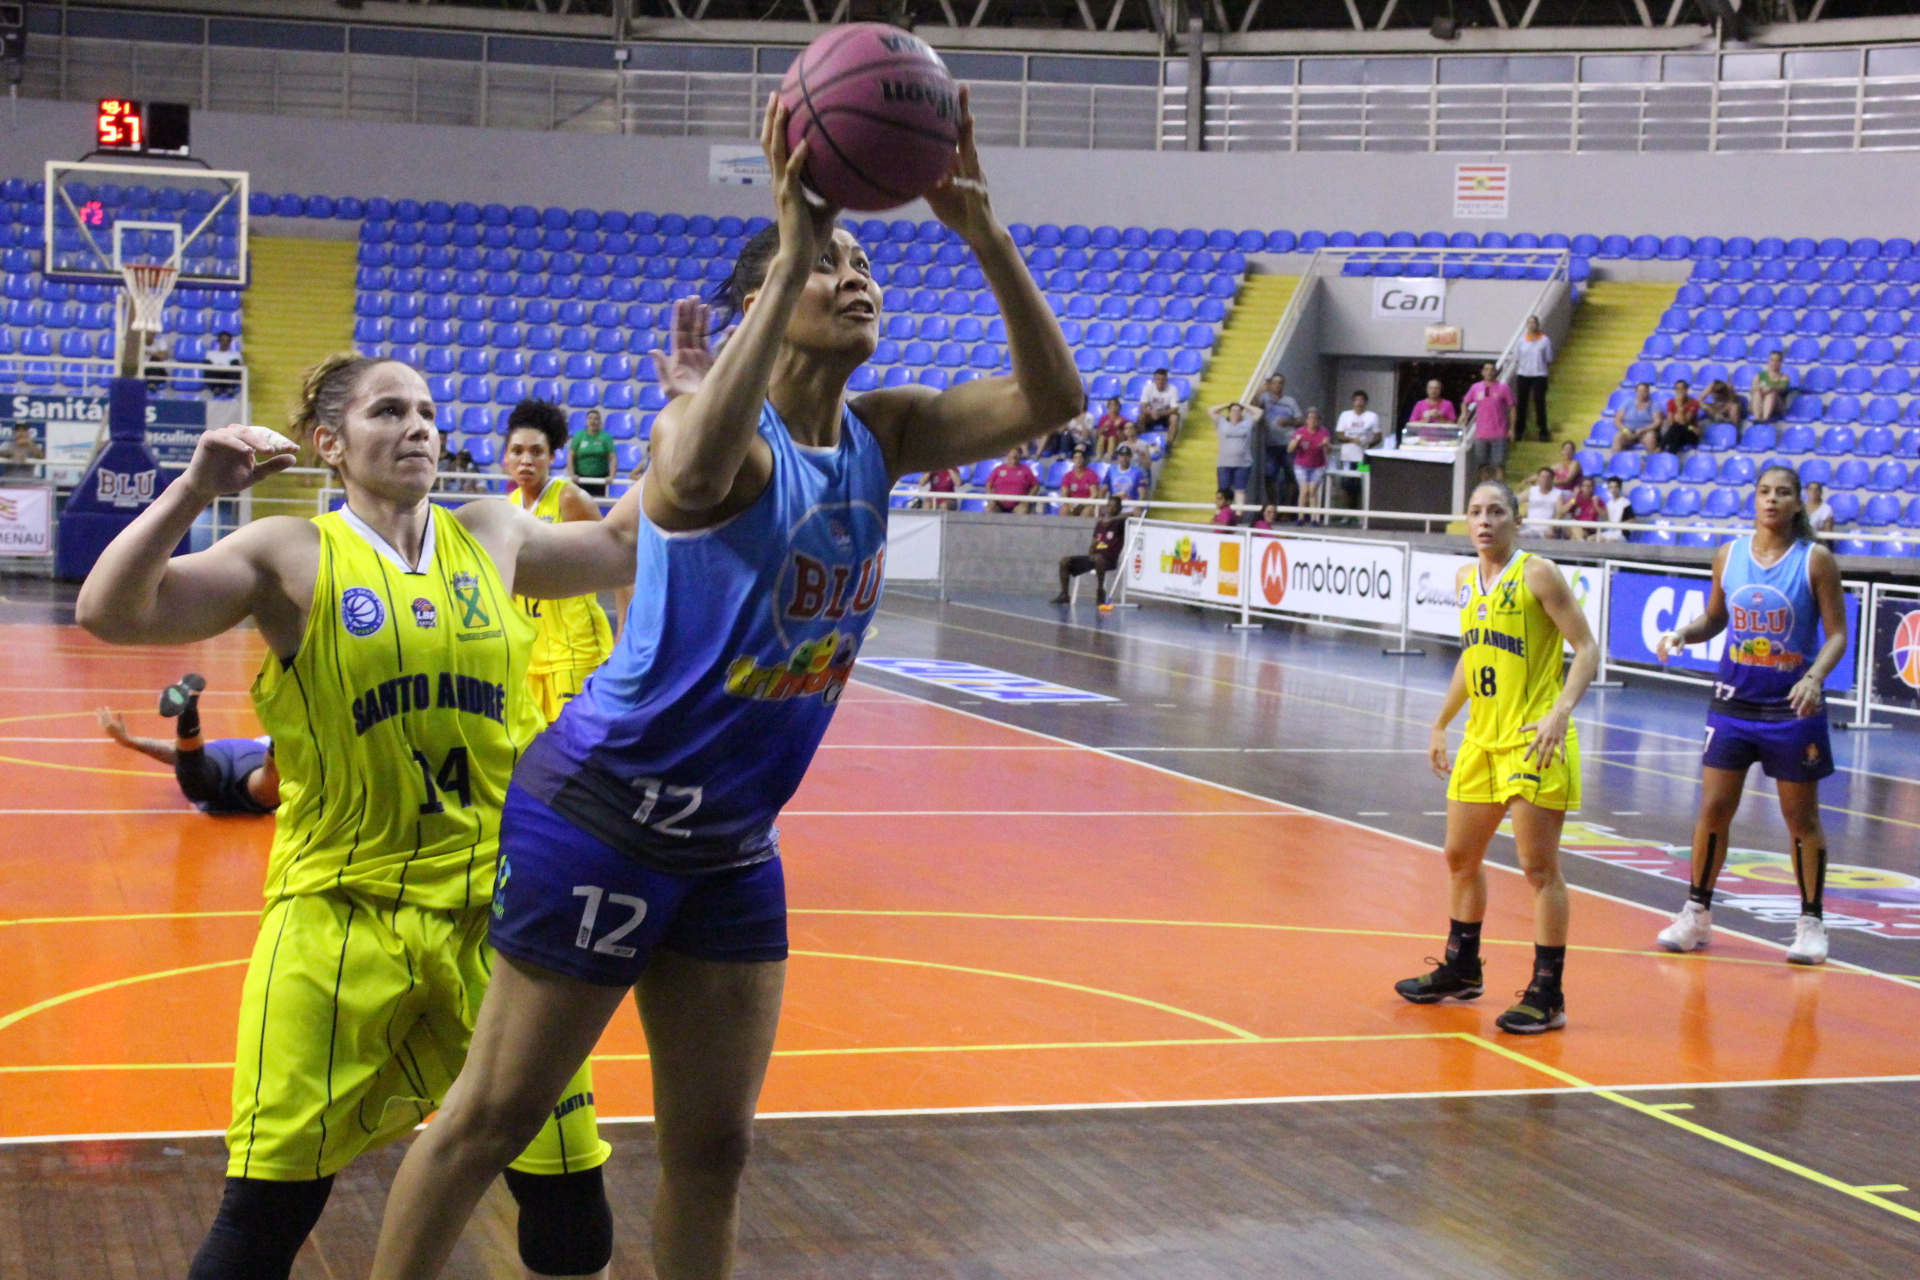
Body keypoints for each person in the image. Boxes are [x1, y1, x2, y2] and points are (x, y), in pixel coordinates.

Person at [365, 87, 1083, 1280]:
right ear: (762, 305)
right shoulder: (718, 437)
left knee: (717, 1148)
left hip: (734, 843)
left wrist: (986, 235)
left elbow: (1051, 402)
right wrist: (793, 234)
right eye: (828, 263)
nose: (858, 278)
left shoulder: (886, 432)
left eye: (864, 263)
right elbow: (692, 470)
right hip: (603, 812)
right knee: (491, 1118)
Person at [73, 353, 649, 1280]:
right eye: (390, 411)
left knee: (571, 1210)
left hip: (492, 918)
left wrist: (716, 396)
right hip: (337, 916)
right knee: (264, 1212)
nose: (419, 425)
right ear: (330, 445)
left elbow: (627, 546)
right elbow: (109, 610)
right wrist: (191, 488)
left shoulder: (493, 532)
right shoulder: (288, 555)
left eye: (428, 410)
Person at [1396, 478, 1599, 1034]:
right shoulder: (1466, 581)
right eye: (1476, 512)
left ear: (1515, 519)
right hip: (1483, 741)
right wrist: (1441, 721)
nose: (1485, 521)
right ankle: (1463, 968)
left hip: (1535, 740)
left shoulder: (1537, 573)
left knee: (1538, 868)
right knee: (1459, 856)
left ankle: (1548, 993)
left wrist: (1560, 712)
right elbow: (1472, 655)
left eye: (1496, 512)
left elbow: (1587, 649)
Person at [1654, 467, 1848, 966]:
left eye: (1783, 493)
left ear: (1798, 504)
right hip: (1733, 702)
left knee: (1800, 817)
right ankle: (1695, 913)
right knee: (1714, 808)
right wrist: (1683, 634)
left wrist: (1814, 677)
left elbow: (1837, 635)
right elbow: (1715, 618)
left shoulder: (1815, 560)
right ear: (1754, 499)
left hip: (1792, 707)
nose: (1772, 500)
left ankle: (1810, 923)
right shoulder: (1729, 554)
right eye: (1765, 491)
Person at [505, 399, 632, 725]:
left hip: (576, 650)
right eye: (517, 451)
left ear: (553, 457)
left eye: (536, 451)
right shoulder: (508, 506)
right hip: (532, 656)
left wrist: (623, 636)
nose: (526, 460)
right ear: (506, 458)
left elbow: (621, 567)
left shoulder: (569, 498)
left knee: (576, 756)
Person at [96, 675, 279, 815]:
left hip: (221, 755)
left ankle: (188, 712)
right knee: (265, 792)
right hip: (253, 761)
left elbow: (178, 757)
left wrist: (131, 741)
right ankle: (283, 732)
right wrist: (130, 741)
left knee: (197, 780)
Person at [1052, 493, 1127, 606]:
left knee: (1098, 558)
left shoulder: (1121, 522)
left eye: (1114, 506)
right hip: (1095, 558)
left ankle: (1100, 591)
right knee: (1065, 561)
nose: (1111, 508)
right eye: (1109, 505)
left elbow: (1136, 513)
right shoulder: (1100, 524)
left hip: (1109, 559)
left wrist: (1113, 519)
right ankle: (1064, 595)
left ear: (1119, 508)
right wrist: (1090, 553)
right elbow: (1094, 543)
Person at [1251, 373, 1301, 509]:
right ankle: (1273, 507)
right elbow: (1253, 407)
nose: (1277, 385)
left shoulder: (1290, 401)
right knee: (1269, 476)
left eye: (1280, 383)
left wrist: (1288, 422)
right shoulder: (1265, 399)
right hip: (1271, 444)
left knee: (1290, 476)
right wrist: (1261, 390)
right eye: (1274, 382)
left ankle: (1287, 508)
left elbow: (1300, 421)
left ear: (1283, 385)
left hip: (1288, 444)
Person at [1462, 363, 1516, 481]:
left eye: (1492, 369)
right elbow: (1465, 401)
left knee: (1499, 464)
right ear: (1482, 372)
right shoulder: (1476, 387)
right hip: (1481, 434)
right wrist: (1464, 414)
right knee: (1482, 465)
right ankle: (1485, 490)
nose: (1489, 372)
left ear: (1495, 372)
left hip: (1499, 433)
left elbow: (1512, 407)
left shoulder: (1503, 387)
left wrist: (1511, 429)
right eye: (1486, 369)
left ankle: (1500, 489)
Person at [1514, 314, 1554, 443]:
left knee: (1539, 403)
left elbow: (1548, 358)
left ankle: (1543, 431)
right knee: (1522, 404)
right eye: (1529, 323)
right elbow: (1517, 358)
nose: (1532, 325)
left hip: (1539, 374)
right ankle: (1519, 431)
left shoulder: (1544, 340)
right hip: (1523, 374)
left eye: (1534, 322)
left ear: (1538, 325)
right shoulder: (1521, 341)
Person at [1289, 407, 1331, 523]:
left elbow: (1328, 451)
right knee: (1304, 490)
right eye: (1310, 418)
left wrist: (1326, 445)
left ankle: (1314, 517)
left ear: (1318, 420)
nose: (1312, 421)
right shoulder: (1300, 432)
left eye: (1314, 418)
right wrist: (1295, 441)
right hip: (1301, 464)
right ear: (1306, 420)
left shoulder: (1323, 432)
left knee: (1313, 490)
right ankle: (1300, 517)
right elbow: (1290, 449)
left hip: (1317, 465)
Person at [1211, 401, 1254, 507]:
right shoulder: (1222, 422)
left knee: (1240, 490)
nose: (1236, 413)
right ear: (1229, 412)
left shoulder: (1247, 423)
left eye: (1238, 411)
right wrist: (1227, 405)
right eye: (1233, 411)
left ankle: (1239, 513)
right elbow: (1211, 410)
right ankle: (1222, 513)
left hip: (1243, 464)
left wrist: (1244, 405)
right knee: (1223, 492)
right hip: (1224, 463)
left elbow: (1259, 412)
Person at [566, 407, 615, 498]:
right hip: (581, 479)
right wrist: (572, 474)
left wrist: (611, 476)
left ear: (600, 422)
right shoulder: (579, 436)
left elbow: (613, 458)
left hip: (600, 479)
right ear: (586, 421)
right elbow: (570, 456)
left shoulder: (606, 437)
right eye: (590, 418)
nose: (593, 421)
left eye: (596, 418)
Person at [1612, 382, 1662, 453]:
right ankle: (1615, 461)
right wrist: (1626, 430)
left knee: (1650, 437)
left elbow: (1657, 422)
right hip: (1628, 432)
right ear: (1636, 392)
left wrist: (1643, 430)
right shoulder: (1627, 403)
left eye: (1644, 391)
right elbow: (1617, 421)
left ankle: (1652, 459)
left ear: (1648, 392)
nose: (1642, 393)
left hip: (1645, 432)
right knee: (1618, 436)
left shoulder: (1654, 405)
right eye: (1639, 391)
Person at [985, 446, 1040, 512]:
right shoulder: (999, 469)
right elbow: (988, 485)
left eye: (1016, 456)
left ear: (1019, 456)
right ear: (1008, 456)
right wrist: (991, 499)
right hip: (999, 503)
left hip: (1019, 503)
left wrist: (1027, 499)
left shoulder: (1026, 470)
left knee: (1023, 510)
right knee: (989, 508)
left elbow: (1035, 486)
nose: (1013, 458)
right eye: (1012, 456)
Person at [1137, 367, 1182, 443]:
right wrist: (1152, 412)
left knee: (1174, 418)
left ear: (1166, 380)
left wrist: (1160, 413)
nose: (1160, 382)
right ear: (1154, 380)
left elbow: (1175, 409)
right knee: (1141, 417)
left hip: (1166, 415)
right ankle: (1142, 441)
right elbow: (1143, 407)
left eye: (1163, 379)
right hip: (1151, 414)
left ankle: (1169, 444)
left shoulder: (1173, 389)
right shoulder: (1147, 388)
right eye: (1158, 379)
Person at [1405, 378, 1456, 443]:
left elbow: (1453, 425)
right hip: (1423, 440)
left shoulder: (1448, 404)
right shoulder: (1419, 404)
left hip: (1443, 441)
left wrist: (1440, 418)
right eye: (1430, 388)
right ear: (1427, 389)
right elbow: (1412, 424)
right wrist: (1426, 419)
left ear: (1440, 390)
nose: (1433, 391)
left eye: (1436, 388)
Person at [1058, 445, 1104, 511]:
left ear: (1084, 459)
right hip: (1072, 504)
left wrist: (1082, 505)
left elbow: (1094, 494)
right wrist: (1070, 505)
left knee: (1088, 511)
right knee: (1064, 509)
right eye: (1076, 458)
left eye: (1080, 457)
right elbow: (1064, 494)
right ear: (1073, 460)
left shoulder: (1091, 474)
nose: (1078, 460)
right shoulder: (1068, 475)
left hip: (1086, 504)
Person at [1751, 350, 1792, 424]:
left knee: (1771, 394)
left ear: (1780, 362)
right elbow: (1753, 389)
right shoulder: (1760, 375)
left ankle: (1765, 419)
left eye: (1776, 361)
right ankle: (1757, 419)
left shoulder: (1784, 377)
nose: (1774, 363)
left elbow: (1782, 388)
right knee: (1757, 393)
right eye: (1772, 360)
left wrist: (1771, 388)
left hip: (1777, 406)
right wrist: (1761, 389)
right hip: (1760, 402)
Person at [1662, 379, 1702, 453]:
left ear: (1686, 389)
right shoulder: (1671, 402)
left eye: (1682, 389)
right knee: (1676, 434)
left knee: (1677, 429)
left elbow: (1684, 422)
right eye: (1677, 389)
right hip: (1679, 431)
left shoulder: (1694, 403)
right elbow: (1670, 423)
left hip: (1690, 433)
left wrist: (1680, 406)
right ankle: (1671, 457)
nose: (1680, 391)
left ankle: (1660, 448)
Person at [1560, 476, 1604, 540]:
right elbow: (1563, 510)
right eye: (1585, 486)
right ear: (1581, 487)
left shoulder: (1597, 500)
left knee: (1574, 537)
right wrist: (1574, 497)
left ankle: (1580, 542)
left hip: (1589, 529)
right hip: (1575, 526)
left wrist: (1597, 506)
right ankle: (1581, 541)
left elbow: (1606, 516)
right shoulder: (1575, 499)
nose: (1588, 488)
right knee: (1573, 523)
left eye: (1590, 486)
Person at [1521, 466, 1560, 537]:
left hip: (1546, 530)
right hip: (1529, 528)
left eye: (1548, 477)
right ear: (1538, 478)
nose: (1545, 479)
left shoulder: (1557, 493)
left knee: (1550, 535)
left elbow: (1559, 513)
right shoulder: (1531, 491)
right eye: (1542, 477)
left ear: (1552, 479)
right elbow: (1515, 500)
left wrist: (1552, 527)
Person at [205, 330, 243, 399]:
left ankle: (230, 388)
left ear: (230, 342)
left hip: (229, 375)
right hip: (216, 375)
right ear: (219, 341)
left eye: (227, 341)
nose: (224, 343)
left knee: (236, 362)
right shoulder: (210, 354)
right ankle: (215, 388)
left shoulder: (236, 355)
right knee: (207, 363)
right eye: (222, 340)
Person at [1598, 476, 1635, 542]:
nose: (1613, 490)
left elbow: (1632, 520)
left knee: (1610, 541)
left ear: (1620, 488)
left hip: (1621, 533)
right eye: (1611, 487)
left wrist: (1619, 525)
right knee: (1591, 539)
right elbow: (1608, 519)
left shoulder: (1625, 503)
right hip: (1610, 532)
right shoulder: (1609, 503)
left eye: (1616, 487)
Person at [1093, 397, 1129, 461]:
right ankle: (1098, 455)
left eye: (1115, 405)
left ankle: (1109, 456)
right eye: (1111, 405)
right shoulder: (1103, 418)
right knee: (1102, 437)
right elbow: (1097, 435)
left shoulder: (1123, 420)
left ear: (1119, 407)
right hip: (1104, 443)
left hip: (1116, 443)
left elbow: (1124, 439)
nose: (1113, 407)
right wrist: (1103, 427)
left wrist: (1117, 428)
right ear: (1108, 407)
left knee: (1112, 438)